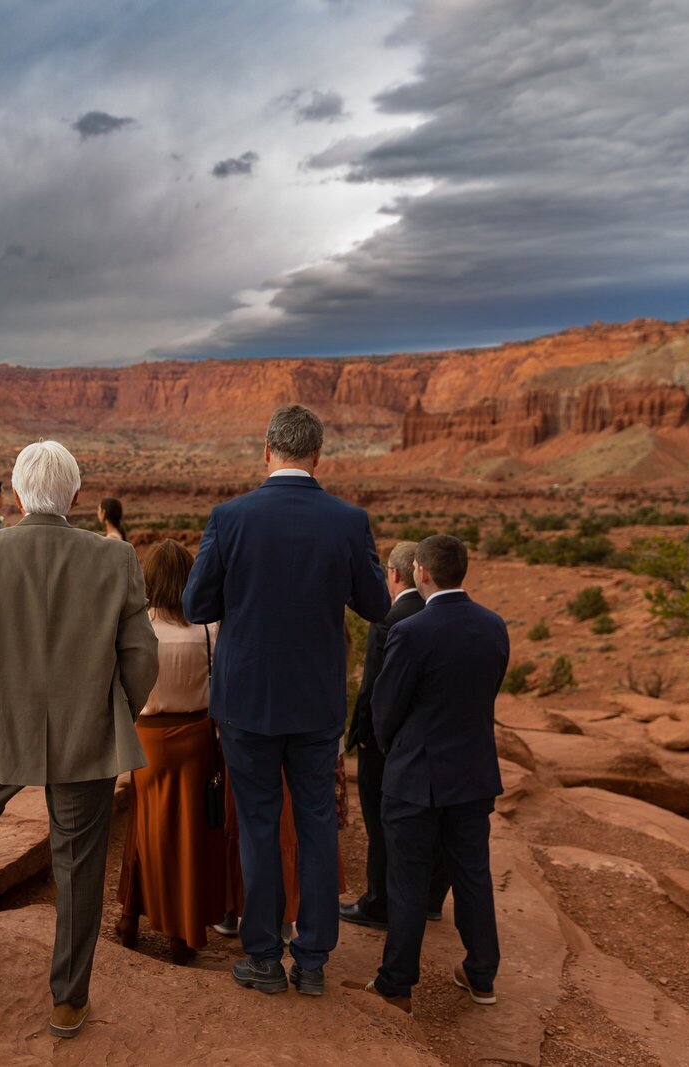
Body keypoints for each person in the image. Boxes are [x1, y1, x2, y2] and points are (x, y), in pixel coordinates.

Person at [0, 440, 158, 1039]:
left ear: (19, 496)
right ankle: (68, 1001)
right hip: (87, 731)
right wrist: (116, 711)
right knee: (77, 865)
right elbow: (141, 658)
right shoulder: (115, 558)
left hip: (0, 721)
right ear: (74, 497)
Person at [183, 404, 389, 997]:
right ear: (318, 457)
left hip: (246, 700)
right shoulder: (349, 522)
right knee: (317, 824)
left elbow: (198, 605)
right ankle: (315, 960)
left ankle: (265, 957)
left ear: (266, 452)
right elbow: (377, 606)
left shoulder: (230, 517)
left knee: (258, 823)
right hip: (316, 702)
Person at [366, 534, 509, 1015]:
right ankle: (482, 974)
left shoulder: (413, 631)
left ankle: (396, 984)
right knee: (473, 876)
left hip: (416, 777)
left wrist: (395, 750)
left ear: (421, 571)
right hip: (472, 774)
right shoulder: (494, 627)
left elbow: (386, 708)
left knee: (406, 879)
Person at [115, 540, 225, 966]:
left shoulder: (136, 629)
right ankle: (183, 934)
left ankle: (129, 918)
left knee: (145, 826)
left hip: (148, 739)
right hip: (196, 740)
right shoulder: (207, 630)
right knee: (190, 835)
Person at [340, 541, 450, 930]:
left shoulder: (390, 617)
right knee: (432, 819)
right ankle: (431, 899)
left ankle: (378, 903)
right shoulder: (437, 613)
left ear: (396, 573)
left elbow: (374, 686)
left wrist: (363, 734)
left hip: (388, 742)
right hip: (433, 740)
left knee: (382, 820)